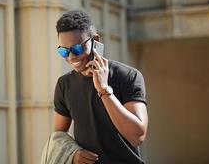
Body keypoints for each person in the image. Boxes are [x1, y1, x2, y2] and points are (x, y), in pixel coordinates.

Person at [53, 10, 148, 164]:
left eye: (77, 49)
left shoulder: (128, 76)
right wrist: (73, 154)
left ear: (95, 40)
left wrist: (104, 90)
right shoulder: (64, 84)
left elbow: (137, 136)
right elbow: (59, 137)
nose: (71, 57)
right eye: (64, 51)